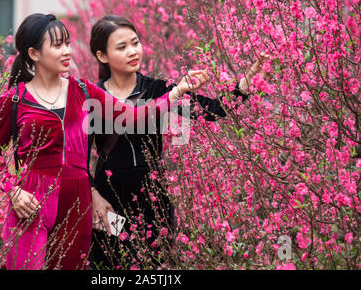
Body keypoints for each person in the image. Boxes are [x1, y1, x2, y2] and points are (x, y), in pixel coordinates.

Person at [0, 13, 210, 270]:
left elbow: (133, 117)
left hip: (77, 203)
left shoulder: (84, 91)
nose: (67, 51)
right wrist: (13, 191)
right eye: (58, 45)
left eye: (68, 43)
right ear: (34, 54)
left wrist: (176, 92)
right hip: (32, 203)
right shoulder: (13, 100)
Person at [88, 15, 271, 269]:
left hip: (152, 198)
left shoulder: (158, 89)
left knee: (154, 265)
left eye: (135, 43)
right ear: (102, 56)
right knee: (111, 264)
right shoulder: (92, 97)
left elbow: (215, 110)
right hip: (109, 200)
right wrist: (93, 193)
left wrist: (249, 79)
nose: (133, 51)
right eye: (122, 47)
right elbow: (74, 156)